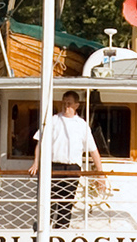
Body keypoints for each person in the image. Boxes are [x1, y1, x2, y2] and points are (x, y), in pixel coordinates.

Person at [29, 90, 104, 228]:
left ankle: (61, 231)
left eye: (69, 103)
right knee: (49, 202)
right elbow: (40, 142)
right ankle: (44, 229)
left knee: (66, 204)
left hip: (72, 169)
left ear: (76, 105)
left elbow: (93, 150)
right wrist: (36, 163)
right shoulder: (53, 120)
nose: (66, 106)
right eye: (64, 103)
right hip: (53, 167)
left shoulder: (81, 125)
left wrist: (100, 174)